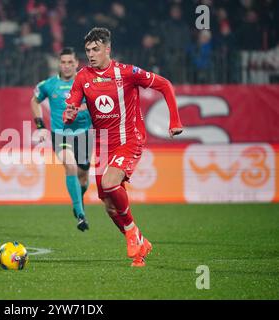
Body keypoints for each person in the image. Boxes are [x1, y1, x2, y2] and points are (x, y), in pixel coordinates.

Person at [64, 28, 183, 267]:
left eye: (96, 49)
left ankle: (131, 232)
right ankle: (140, 243)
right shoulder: (82, 77)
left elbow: (165, 85)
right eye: (87, 50)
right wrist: (70, 114)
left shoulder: (127, 73)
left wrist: (175, 121)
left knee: (110, 183)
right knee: (108, 205)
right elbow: (72, 108)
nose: (91, 54)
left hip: (130, 139)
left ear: (107, 49)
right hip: (102, 144)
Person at [31, 47, 92, 231]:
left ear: (76, 64)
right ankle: (80, 214)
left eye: (70, 62)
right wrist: (40, 126)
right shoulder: (48, 85)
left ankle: (78, 199)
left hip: (84, 134)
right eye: (63, 62)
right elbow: (34, 101)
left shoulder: (86, 84)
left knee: (83, 177)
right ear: (59, 63)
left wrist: (80, 110)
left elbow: (95, 104)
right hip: (61, 134)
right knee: (70, 165)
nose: (66, 66)